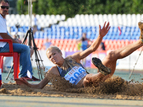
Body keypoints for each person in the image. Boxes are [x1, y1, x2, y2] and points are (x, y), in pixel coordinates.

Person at [15, 21, 143, 88]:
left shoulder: (72, 58)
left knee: (111, 54)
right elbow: (39, 86)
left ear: (60, 53)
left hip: (100, 80)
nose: (52, 58)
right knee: (87, 79)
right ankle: (102, 72)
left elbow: (92, 47)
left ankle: (140, 41)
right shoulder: (54, 71)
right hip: (88, 86)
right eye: (49, 57)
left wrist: (100, 36)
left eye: (54, 54)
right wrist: (28, 85)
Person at [0, 0, 39, 81]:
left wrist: (14, 40)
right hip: (0, 46)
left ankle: (27, 74)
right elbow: (4, 36)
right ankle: (24, 75)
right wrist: (15, 41)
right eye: (3, 7)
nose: (5, 9)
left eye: (7, 7)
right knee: (25, 48)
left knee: (28, 49)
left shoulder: (0, 18)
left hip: (1, 44)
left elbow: (4, 35)